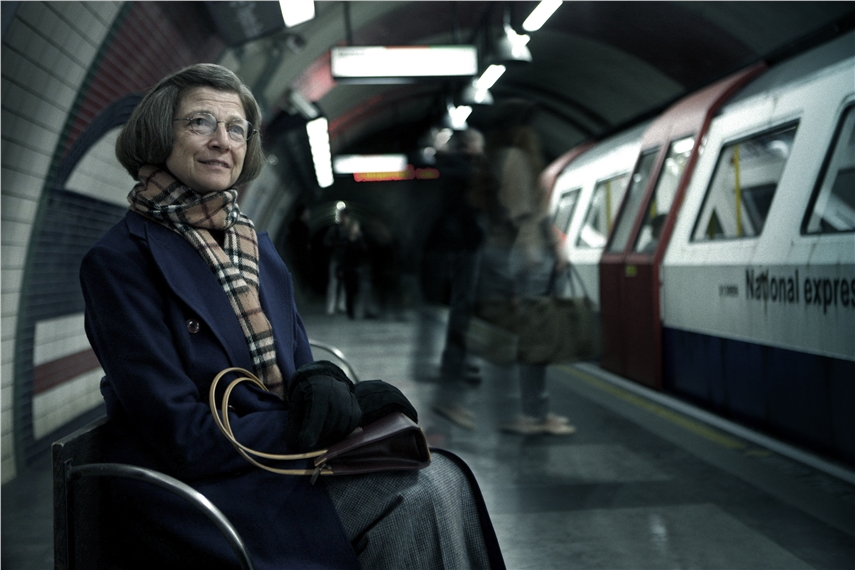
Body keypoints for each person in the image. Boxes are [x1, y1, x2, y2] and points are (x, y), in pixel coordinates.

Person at [80, 63, 503, 569]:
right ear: (158, 135)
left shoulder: (256, 248)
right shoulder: (122, 261)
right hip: (204, 489)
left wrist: (340, 396)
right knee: (416, 497)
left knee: (442, 475)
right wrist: (311, 425)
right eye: (200, 123)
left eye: (236, 128)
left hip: (286, 465)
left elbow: (300, 370)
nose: (222, 141)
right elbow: (180, 435)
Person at [473, 118, 576, 436]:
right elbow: (524, 211)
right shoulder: (515, 159)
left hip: (518, 256)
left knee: (527, 339)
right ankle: (533, 414)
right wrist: (539, 248)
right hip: (529, 258)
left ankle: (530, 413)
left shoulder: (500, 160)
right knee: (536, 340)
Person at [426, 129, 487, 430]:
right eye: (478, 143)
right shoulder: (463, 172)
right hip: (462, 249)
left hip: (450, 250)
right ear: (469, 146)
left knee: (459, 317)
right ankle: (449, 396)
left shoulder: (446, 169)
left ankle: (456, 374)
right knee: (461, 317)